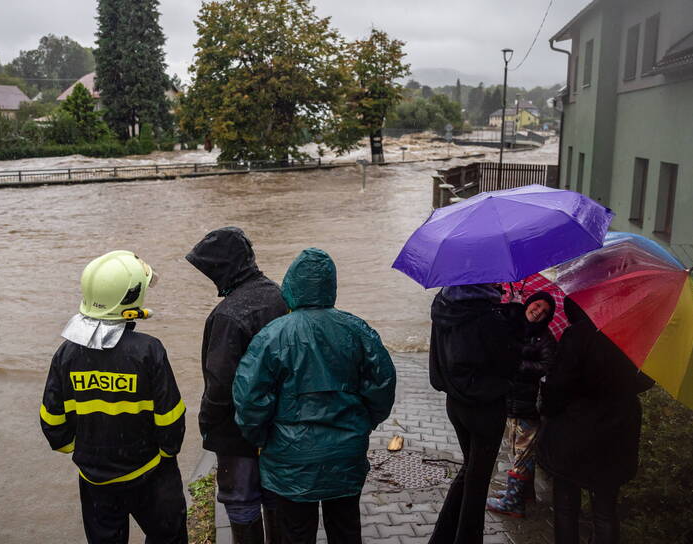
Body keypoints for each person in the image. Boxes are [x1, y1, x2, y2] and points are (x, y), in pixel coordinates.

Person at [233, 248, 396, 544]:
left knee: (296, 533)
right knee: (346, 528)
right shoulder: (357, 329)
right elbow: (382, 384)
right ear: (330, 286)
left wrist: (261, 438)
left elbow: (249, 399)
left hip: (290, 458)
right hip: (345, 452)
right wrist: (365, 422)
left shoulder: (272, 336)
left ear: (291, 286)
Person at [39, 250, 187, 544]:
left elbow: (52, 421)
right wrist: (166, 454)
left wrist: (84, 452)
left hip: (95, 480)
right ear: (131, 299)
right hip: (150, 473)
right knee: (167, 536)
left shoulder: (67, 353)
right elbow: (171, 418)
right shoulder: (148, 351)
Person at [186, 227, 288, 544]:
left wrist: (209, 425)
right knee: (275, 492)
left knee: (241, 499)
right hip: (282, 424)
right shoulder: (281, 295)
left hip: (237, 431)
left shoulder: (228, 316)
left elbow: (219, 384)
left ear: (223, 268)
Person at [537, 297, 654, 544]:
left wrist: (547, 406)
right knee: (605, 511)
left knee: (566, 506)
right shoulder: (636, 333)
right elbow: (647, 379)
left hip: (574, 431)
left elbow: (558, 385)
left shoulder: (579, 334)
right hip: (617, 432)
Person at [428, 283, 519, 544]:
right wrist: (513, 320)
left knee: (470, 470)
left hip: (455, 403)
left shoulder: (442, 305)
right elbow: (509, 362)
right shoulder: (488, 317)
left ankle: (442, 537)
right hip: (485, 408)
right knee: (478, 483)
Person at [486, 291, 557, 518]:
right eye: (536, 306)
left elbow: (547, 366)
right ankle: (519, 494)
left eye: (544, 311)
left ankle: (514, 502)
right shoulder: (514, 327)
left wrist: (518, 364)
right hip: (511, 401)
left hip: (529, 406)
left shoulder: (545, 339)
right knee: (516, 450)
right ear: (528, 303)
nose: (538, 312)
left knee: (522, 454)